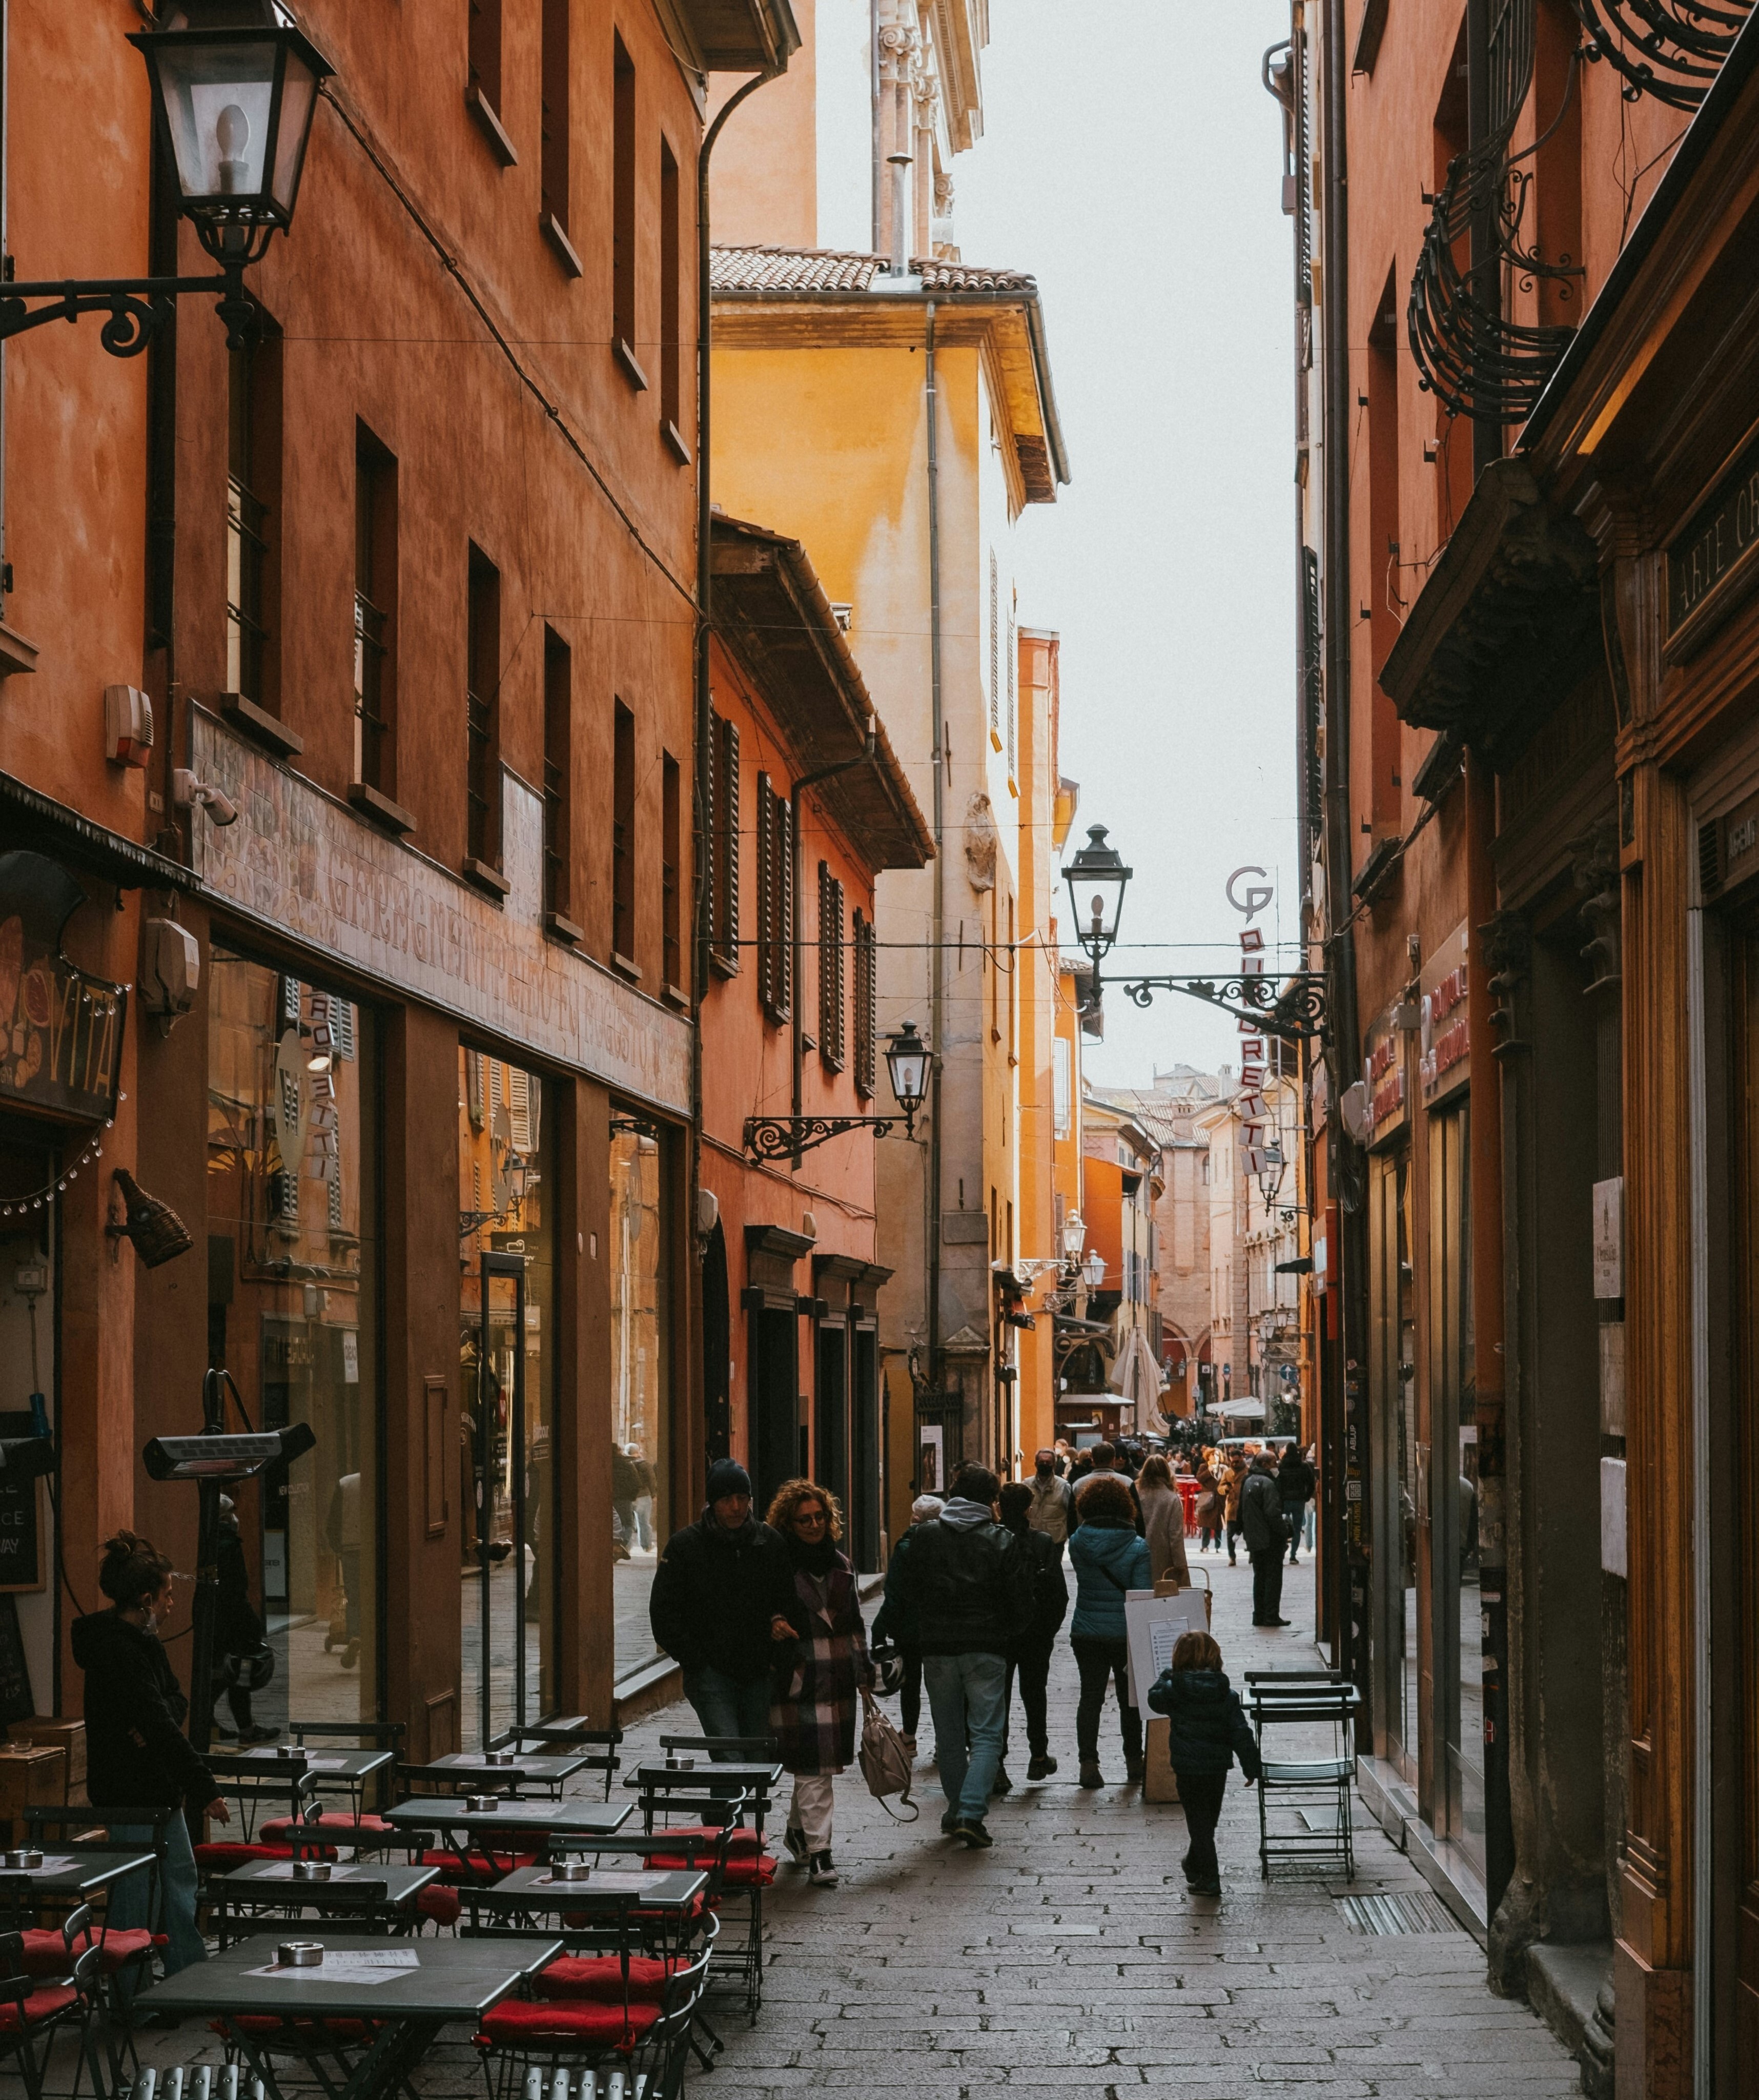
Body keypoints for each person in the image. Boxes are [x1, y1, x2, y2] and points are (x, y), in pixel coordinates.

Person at [75, 1532, 231, 1984]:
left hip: (157, 1785)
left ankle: (188, 1975)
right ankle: (132, 1991)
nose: (172, 1604)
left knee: (180, 1879)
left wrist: (157, 1721)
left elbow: (173, 1704)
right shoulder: (118, 1649)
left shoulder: (144, 1641)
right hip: (129, 1788)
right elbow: (162, 1723)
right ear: (145, 1600)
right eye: (167, 1595)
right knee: (137, 1894)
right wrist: (205, 1787)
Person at [881, 1463, 1033, 1849]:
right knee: (986, 1735)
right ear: (991, 1501)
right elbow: (1019, 1600)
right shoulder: (1002, 1539)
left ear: (954, 1492)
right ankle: (969, 1811)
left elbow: (910, 1589)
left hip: (937, 1647)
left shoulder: (926, 1535)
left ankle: (955, 1810)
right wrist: (1011, 1632)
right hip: (986, 1645)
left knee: (948, 1733)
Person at [767, 1480, 873, 1889]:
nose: (813, 1525)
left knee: (817, 1768)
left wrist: (865, 1674)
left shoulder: (841, 1564)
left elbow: (856, 1625)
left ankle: (798, 1831)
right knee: (814, 1770)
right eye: (804, 1519)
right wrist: (773, 1624)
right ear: (789, 1524)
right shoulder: (778, 1566)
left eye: (819, 1517)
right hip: (799, 1679)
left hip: (839, 1677)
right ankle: (820, 1853)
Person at [649, 1458, 797, 1744]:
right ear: (712, 1502)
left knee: (757, 1758)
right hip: (710, 1674)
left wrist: (777, 1633)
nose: (736, 1507)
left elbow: (788, 1600)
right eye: (727, 1499)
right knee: (728, 1756)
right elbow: (664, 1611)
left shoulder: (770, 1543)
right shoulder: (686, 1547)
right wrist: (695, 1660)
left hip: (759, 1671)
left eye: (743, 1498)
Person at [1146, 1628, 1261, 1898]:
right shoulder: (1226, 1694)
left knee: (1199, 1823)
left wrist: (1167, 1675)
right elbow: (1241, 1732)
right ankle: (1194, 1864)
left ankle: (1210, 1879)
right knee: (1207, 1821)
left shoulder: (1174, 1690)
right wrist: (1251, 1766)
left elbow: (1154, 1699)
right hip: (1216, 1767)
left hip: (1188, 1767)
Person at [1066, 1473, 1152, 1788]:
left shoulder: (1077, 1543)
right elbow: (1142, 1596)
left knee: (1090, 1699)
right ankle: (1134, 1761)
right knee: (1130, 1700)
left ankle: (1088, 1764)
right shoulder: (1139, 1547)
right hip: (1125, 1633)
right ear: (1125, 1507)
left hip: (1086, 1630)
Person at [996, 1482, 1069, 1787]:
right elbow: (1059, 1596)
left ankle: (996, 1763)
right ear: (1029, 1509)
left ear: (999, 1507)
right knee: (1034, 1695)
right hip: (1035, 1636)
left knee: (997, 1699)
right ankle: (1039, 1756)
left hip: (999, 1636)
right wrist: (1046, 1632)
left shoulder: (991, 1540)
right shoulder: (1042, 1542)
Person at [872, 1493, 942, 1758]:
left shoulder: (905, 1548)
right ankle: (943, 1743)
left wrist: (879, 1630)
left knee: (910, 1685)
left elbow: (895, 1595)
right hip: (938, 1629)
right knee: (941, 1688)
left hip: (909, 1630)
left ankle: (910, 1739)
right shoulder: (947, 1545)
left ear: (915, 1518)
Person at [211, 1495, 276, 1744]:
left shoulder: (211, 1542)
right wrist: (251, 1622)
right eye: (229, 1513)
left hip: (220, 1621)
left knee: (221, 1673)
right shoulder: (229, 1543)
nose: (234, 1518)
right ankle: (247, 1730)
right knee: (240, 1674)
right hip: (235, 1622)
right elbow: (237, 1589)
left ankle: (209, 1721)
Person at [1240, 1451, 1291, 1627]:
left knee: (1259, 1577)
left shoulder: (1248, 1481)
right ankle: (1271, 1615)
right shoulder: (1268, 1484)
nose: (1276, 1466)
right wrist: (1284, 1531)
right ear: (1265, 1465)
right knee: (1273, 1578)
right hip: (1270, 1538)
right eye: (1274, 1463)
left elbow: (1242, 1511)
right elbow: (1272, 1513)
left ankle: (1259, 1615)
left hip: (1254, 1538)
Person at [324, 1470, 362, 1669]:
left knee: (355, 1597)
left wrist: (338, 1548)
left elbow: (332, 1523)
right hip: (378, 1549)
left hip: (351, 1550)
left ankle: (356, 1635)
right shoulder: (385, 1483)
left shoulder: (345, 1483)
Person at [1135, 1454, 1191, 1586]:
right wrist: (1181, 1566)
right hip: (1163, 1560)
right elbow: (1176, 1536)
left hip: (1136, 1556)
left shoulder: (1135, 1494)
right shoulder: (1171, 1499)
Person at [1277, 1443, 1317, 1566]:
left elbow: (1278, 1484)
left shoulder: (1282, 1466)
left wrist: (1280, 1498)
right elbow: (1311, 1483)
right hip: (1299, 1500)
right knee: (1297, 1528)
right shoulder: (1303, 1466)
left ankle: (1282, 1552)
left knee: (1283, 1527)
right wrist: (1307, 1496)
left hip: (1285, 1501)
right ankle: (1293, 1555)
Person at [1025, 1449, 1075, 1544]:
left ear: (1054, 1465)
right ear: (1036, 1464)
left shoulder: (1063, 1486)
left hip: (1055, 1540)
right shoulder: (1027, 1484)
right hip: (1031, 1539)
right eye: (1041, 1462)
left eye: (1048, 1462)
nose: (1044, 1464)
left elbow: (1071, 1513)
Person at [610, 1442, 642, 1560]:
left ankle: (615, 1547)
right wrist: (631, 1497)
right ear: (619, 1451)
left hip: (608, 1498)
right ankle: (620, 1547)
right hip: (624, 1499)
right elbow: (636, 1483)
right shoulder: (627, 1464)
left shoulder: (604, 1463)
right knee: (628, 1524)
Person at [1072, 1442, 1120, 1513]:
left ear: (1093, 1460)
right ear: (1114, 1460)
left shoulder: (1078, 1484)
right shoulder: (1127, 1482)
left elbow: (1072, 1513)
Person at [627, 1442, 657, 1552]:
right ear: (638, 1452)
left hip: (629, 1497)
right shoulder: (645, 1464)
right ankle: (646, 1545)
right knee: (644, 1522)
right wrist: (653, 1494)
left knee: (627, 1523)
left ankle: (626, 1547)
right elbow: (651, 1480)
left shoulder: (625, 1464)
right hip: (644, 1496)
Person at [1221, 1454, 1248, 1566]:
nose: (1235, 1464)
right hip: (1232, 1507)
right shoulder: (1227, 1473)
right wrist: (1225, 1489)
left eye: (1238, 1461)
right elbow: (1220, 1487)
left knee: (1248, 1533)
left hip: (1244, 1506)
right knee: (1230, 1534)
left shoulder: (1248, 1472)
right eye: (1234, 1462)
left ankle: (1252, 1554)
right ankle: (1232, 1557)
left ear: (1242, 1459)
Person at [1194, 1465, 1223, 1555]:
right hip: (1207, 1498)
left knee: (1219, 1523)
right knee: (1206, 1523)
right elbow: (1199, 1478)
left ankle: (1218, 1546)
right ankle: (1205, 1545)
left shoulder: (1222, 1467)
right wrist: (1209, 1471)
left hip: (1219, 1497)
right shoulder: (1204, 1467)